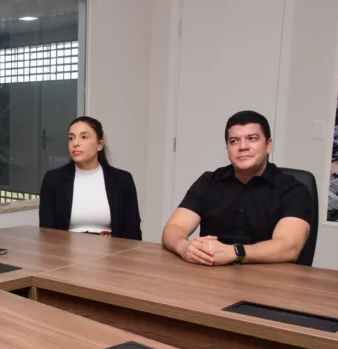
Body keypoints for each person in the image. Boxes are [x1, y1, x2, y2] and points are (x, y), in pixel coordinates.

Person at [162, 110, 311, 266]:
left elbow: (289, 247)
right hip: (210, 275)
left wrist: (235, 253)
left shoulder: (293, 189)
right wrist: (185, 247)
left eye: (252, 139)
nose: (243, 147)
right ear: (227, 148)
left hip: (269, 280)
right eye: (234, 141)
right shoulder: (208, 182)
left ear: (268, 145)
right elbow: (174, 228)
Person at [39, 116, 142, 239]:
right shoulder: (53, 179)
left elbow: (132, 232)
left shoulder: (122, 180)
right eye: (71, 138)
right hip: (65, 253)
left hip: (112, 253)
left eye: (84, 137)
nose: (75, 143)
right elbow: (47, 233)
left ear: (100, 144)